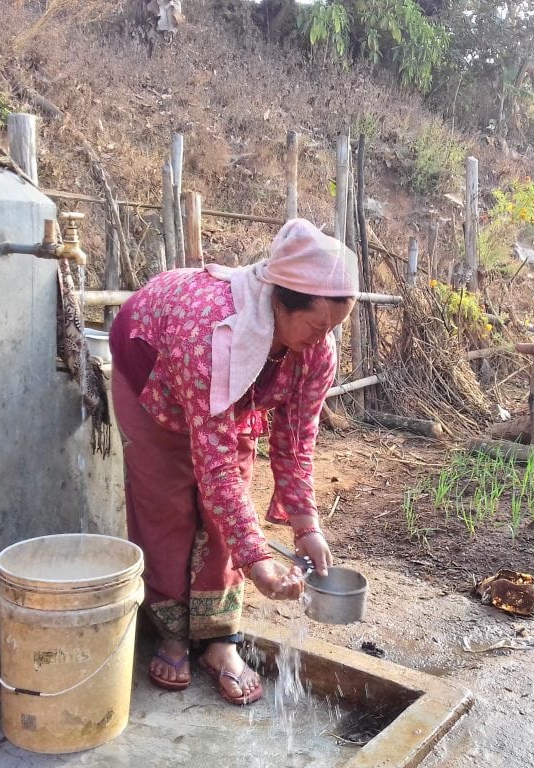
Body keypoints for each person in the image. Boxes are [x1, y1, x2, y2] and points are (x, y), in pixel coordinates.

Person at [109, 218, 358, 705]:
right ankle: (171, 633)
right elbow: (213, 468)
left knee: (228, 506)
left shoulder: (314, 350)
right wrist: (259, 560)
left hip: (229, 396)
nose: (324, 338)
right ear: (279, 301)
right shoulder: (213, 335)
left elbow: (295, 439)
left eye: (334, 327)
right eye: (316, 325)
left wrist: (306, 524)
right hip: (154, 374)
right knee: (167, 504)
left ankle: (220, 640)